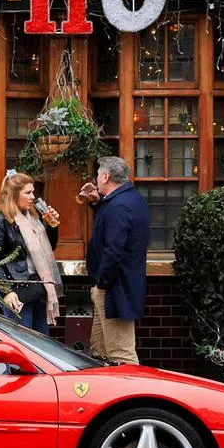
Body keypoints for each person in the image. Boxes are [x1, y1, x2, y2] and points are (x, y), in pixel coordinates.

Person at [80, 156, 150, 364]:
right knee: (99, 353)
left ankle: (132, 388)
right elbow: (111, 227)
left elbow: (114, 249)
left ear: (106, 176)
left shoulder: (119, 206)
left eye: (98, 175)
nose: (96, 180)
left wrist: (101, 284)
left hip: (114, 289)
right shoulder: (129, 199)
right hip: (115, 287)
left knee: (121, 355)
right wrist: (97, 202)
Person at [0, 170, 63, 335]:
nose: (33, 197)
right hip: (16, 288)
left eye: (33, 192)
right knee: (22, 337)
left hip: (37, 286)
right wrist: (7, 291)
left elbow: (48, 249)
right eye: (28, 193)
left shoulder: (33, 220)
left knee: (41, 339)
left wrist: (52, 226)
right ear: (13, 195)